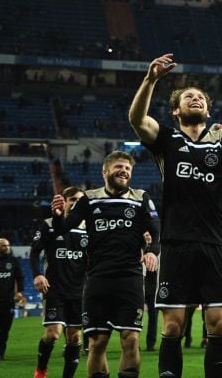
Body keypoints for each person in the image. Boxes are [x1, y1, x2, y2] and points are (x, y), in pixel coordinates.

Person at [128, 53, 222, 378]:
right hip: (176, 244)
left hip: (217, 243)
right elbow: (136, 119)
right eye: (189, 97)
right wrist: (150, 79)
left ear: (209, 109)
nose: (196, 99)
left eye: (201, 97)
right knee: (173, 325)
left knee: (218, 323)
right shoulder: (167, 140)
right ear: (176, 111)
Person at [49, 151, 161, 378]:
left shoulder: (141, 197)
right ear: (105, 171)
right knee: (97, 342)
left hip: (130, 277)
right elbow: (64, 228)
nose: (124, 171)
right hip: (98, 278)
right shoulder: (89, 199)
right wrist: (59, 215)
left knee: (130, 338)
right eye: (119, 166)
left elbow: (156, 231)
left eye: (128, 168)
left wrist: (151, 251)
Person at [32, 185, 88, 378]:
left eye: (79, 200)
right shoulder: (49, 224)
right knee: (53, 334)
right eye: (72, 199)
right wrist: (37, 275)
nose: (75, 203)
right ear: (64, 202)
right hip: (54, 288)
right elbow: (34, 251)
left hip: (79, 291)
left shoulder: (88, 228)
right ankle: (41, 369)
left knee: (74, 337)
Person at [0, 236, 26, 361]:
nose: (7, 247)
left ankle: (1, 353)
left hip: (7, 301)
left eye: (8, 245)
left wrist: (20, 291)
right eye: (4, 245)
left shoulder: (13, 261)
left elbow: (20, 277)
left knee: (5, 329)